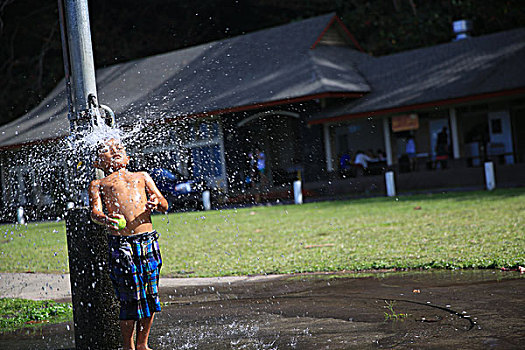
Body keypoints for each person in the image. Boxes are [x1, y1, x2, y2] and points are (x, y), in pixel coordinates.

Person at [89, 138, 168, 350]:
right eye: (107, 150)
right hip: (121, 245)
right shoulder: (99, 184)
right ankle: (128, 346)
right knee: (129, 296)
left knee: (150, 294)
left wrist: (155, 202)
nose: (114, 150)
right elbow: (95, 212)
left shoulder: (142, 177)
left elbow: (164, 204)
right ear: (98, 163)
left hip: (147, 241)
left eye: (119, 148)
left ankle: (143, 344)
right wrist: (105, 219)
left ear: (128, 158)